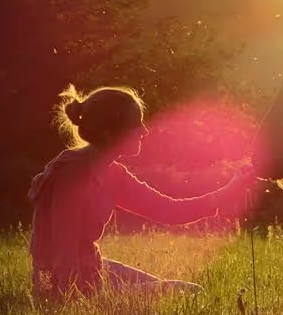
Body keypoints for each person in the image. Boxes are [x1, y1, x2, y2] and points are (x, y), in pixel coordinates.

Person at [28, 83, 256, 300]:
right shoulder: (71, 174)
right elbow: (62, 252)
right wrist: (74, 302)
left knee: (183, 291)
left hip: (94, 267)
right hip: (65, 283)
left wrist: (230, 190)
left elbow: (170, 210)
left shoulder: (113, 173)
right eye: (136, 125)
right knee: (186, 293)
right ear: (110, 134)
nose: (144, 131)